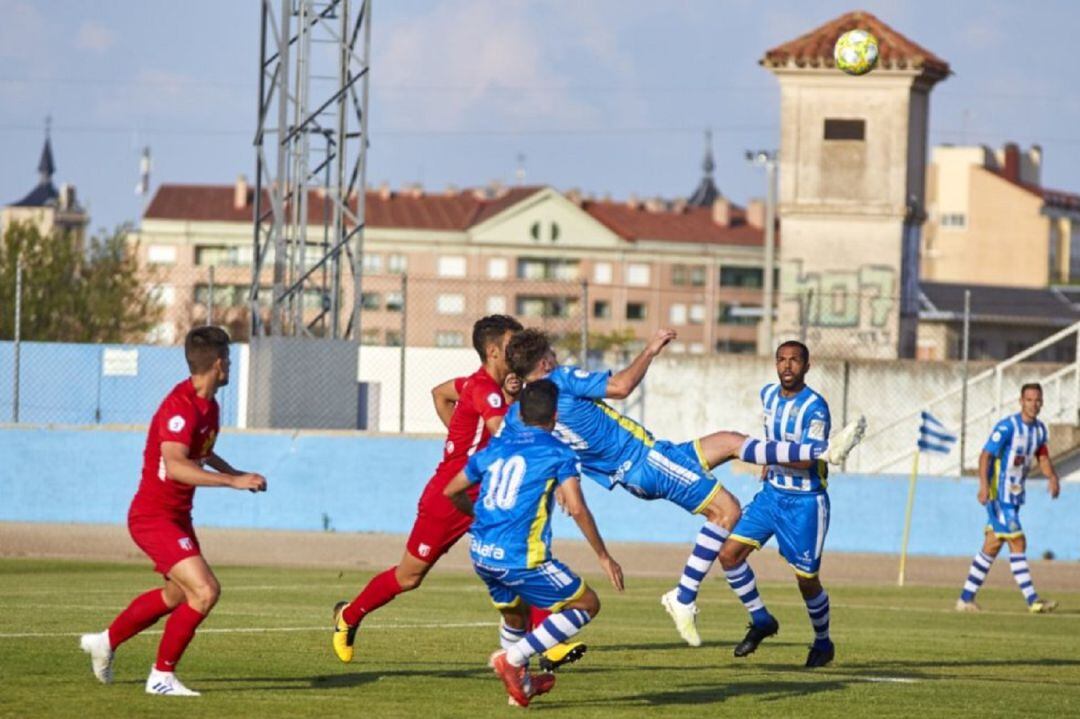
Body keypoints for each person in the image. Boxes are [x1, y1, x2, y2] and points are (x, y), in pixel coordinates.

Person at [503, 328, 866, 648]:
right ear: (546, 362)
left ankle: (823, 452)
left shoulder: (526, 409)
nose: (556, 357)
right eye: (551, 353)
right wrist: (650, 349)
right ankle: (683, 597)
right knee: (728, 511)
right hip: (644, 462)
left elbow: (542, 447)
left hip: (649, 458)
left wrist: (564, 486)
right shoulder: (561, 379)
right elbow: (622, 386)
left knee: (731, 441)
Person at [332, 315, 537, 661]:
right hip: (449, 499)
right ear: (492, 351)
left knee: (520, 560)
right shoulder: (486, 390)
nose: (518, 353)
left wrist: (462, 440)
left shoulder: (483, 386)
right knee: (408, 577)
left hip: (486, 498)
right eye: (511, 347)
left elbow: (440, 394)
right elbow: (504, 434)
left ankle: (538, 644)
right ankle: (348, 616)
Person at [79, 327, 267, 697]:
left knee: (177, 595)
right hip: (153, 518)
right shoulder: (179, 407)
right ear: (217, 363)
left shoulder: (209, 405)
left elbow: (202, 452)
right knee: (205, 591)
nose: (230, 365)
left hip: (177, 516)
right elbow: (178, 465)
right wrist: (231, 483)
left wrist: (236, 473)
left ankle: (106, 640)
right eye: (227, 359)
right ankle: (161, 677)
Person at [443, 379, 624, 707]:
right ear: (555, 414)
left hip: (482, 553)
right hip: (521, 557)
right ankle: (512, 659)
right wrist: (603, 556)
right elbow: (577, 507)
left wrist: (479, 519)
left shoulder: (497, 446)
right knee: (586, 604)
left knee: (516, 616)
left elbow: (452, 490)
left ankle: (520, 690)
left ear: (520, 413)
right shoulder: (558, 451)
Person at [716, 341, 836, 667]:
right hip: (772, 496)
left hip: (805, 502)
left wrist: (765, 454)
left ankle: (823, 643)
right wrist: (769, 457)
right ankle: (762, 620)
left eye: (795, 360)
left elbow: (807, 460)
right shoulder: (767, 395)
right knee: (728, 555)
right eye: (782, 360)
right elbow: (774, 440)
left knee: (806, 580)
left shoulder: (815, 407)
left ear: (806, 366)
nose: (787, 366)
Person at [955, 383, 1061, 614]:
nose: (1034, 404)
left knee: (992, 546)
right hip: (998, 496)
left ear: (1042, 402)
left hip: (1014, 497)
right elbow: (985, 456)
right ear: (1021, 401)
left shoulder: (1040, 431)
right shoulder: (1007, 427)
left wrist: (1052, 477)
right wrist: (984, 486)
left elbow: (1042, 457)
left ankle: (965, 599)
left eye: (1037, 400)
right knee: (1018, 541)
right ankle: (1033, 600)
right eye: (1029, 399)